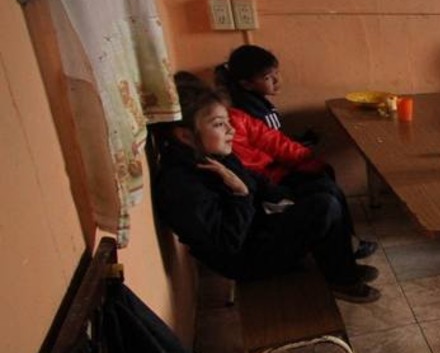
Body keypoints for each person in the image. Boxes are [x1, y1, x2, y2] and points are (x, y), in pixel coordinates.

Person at [154, 73, 381, 303]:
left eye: (228, 122)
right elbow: (227, 244)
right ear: (185, 135)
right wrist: (240, 195)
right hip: (245, 260)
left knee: (323, 187)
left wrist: (287, 199)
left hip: (258, 228)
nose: (231, 131)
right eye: (219, 125)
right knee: (324, 206)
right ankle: (342, 279)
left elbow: (254, 180)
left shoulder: (210, 156)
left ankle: (343, 264)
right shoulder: (180, 185)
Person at [226, 106, 377, 259]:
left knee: (324, 177)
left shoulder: (235, 116)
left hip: (275, 173)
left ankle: (346, 244)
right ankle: (342, 259)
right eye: (218, 124)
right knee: (324, 199)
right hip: (266, 186)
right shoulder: (214, 156)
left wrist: (305, 159)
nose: (228, 129)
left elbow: (273, 141)